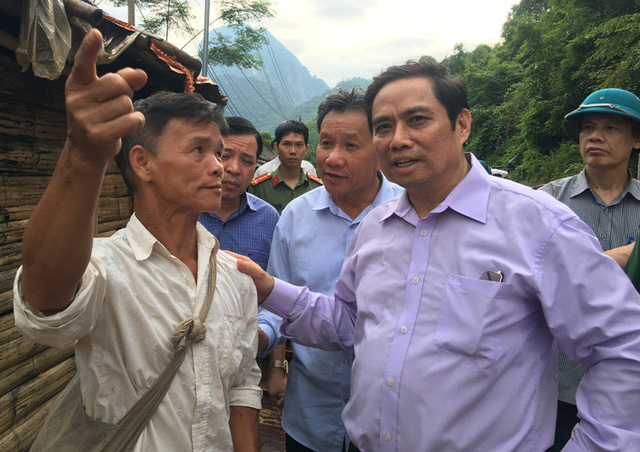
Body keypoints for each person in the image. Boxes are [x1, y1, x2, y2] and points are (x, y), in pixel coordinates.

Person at [233, 58, 640, 451]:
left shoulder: (540, 225)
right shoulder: (376, 228)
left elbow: (625, 348)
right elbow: (349, 324)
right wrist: (270, 289)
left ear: (462, 124)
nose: (398, 139)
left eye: (417, 120)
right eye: (383, 126)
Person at [13, 30, 261, 451]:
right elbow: (45, 306)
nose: (219, 167)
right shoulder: (105, 265)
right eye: (199, 150)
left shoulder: (235, 279)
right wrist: (83, 153)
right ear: (142, 163)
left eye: (218, 153)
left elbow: (241, 386)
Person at [258, 88, 403, 451]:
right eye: (325, 143)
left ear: (379, 150)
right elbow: (277, 305)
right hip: (309, 415)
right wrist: (263, 348)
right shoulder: (295, 217)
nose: (333, 158)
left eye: (351, 146)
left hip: (389, 423)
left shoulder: (410, 215)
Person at [539, 88, 640, 450]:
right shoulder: (546, 203)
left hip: (630, 388)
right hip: (555, 385)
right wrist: (617, 259)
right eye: (588, 127)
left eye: (611, 127)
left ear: (636, 140)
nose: (595, 136)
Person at [199, 116, 279, 270]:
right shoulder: (182, 211)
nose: (234, 169)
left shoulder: (269, 218)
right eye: (224, 156)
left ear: (255, 167)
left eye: (247, 161)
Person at [249, 120, 323, 213]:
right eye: (287, 144)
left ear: (306, 149)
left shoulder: (317, 187)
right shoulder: (260, 187)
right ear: (276, 147)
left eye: (299, 145)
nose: (293, 151)